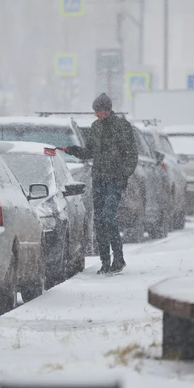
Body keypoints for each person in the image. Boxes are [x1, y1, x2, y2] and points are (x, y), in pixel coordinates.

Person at [61, 93, 138, 274]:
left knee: (108, 216)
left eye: (100, 111)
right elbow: (89, 152)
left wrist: (123, 174)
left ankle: (118, 259)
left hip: (115, 179)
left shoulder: (122, 126)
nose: (97, 114)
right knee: (99, 220)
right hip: (99, 178)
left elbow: (131, 154)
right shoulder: (95, 127)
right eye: (95, 111)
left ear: (108, 110)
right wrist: (73, 150)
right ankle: (105, 261)